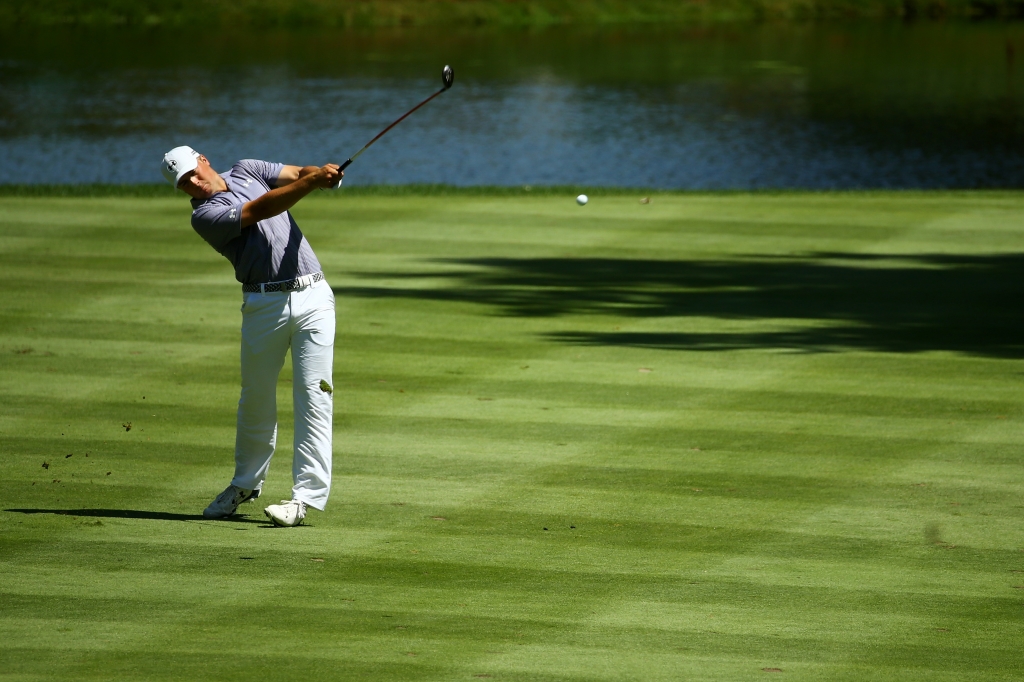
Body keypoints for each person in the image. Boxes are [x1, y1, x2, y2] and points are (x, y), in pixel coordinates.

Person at [160, 145, 342, 527]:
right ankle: (244, 484)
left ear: (204, 161)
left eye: (193, 173)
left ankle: (303, 498)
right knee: (256, 397)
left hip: (315, 296)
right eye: (184, 184)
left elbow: (296, 173)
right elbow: (262, 209)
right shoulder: (205, 216)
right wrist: (313, 182)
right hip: (264, 306)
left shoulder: (248, 168)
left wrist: (322, 174)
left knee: (315, 395)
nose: (193, 184)